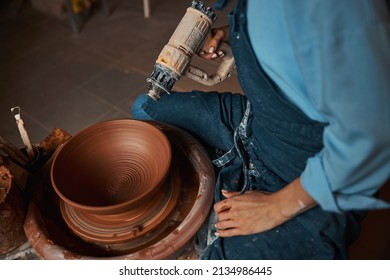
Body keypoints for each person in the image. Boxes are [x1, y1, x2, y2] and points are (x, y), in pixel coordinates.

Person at [131, 0, 390, 259]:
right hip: (259, 122)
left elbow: (373, 136)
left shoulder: (339, 11)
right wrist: (236, 35)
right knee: (146, 110)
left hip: (304, 162)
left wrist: (277, 207)